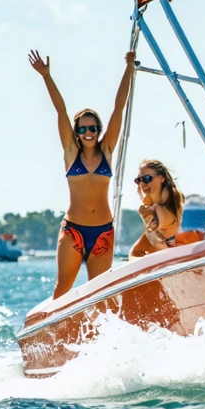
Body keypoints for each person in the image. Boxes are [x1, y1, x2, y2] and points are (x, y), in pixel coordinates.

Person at [29, 49, 134, 298]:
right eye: (84, 128)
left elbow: (119, 108)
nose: (89, 132)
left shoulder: (107, 151)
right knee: (62, 290)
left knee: (98, 295)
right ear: (77, 132)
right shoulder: (70, 153)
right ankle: (53, 335)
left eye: (94, 127)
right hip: (73, 231)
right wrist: (46, 76)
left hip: (103, 233)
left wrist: (129, 67)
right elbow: (61, 111)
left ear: (99, 130)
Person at [129, 160, 186, 258]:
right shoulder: (163, 204)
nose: (142, 184)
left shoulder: (161, 211)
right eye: (138, 180)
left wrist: (146, 219)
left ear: (162, 178)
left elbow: (156, 243)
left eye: (147, 178)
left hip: (158, 267)